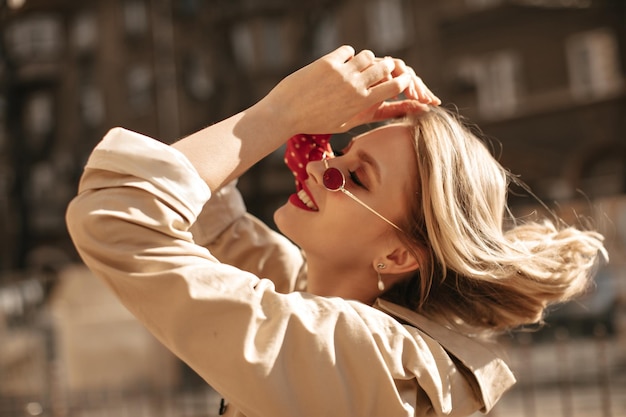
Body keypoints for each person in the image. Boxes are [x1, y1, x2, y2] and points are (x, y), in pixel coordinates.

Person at [66, 46, 606, 417]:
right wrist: (308, 105)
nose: (326, 165)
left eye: (359, 177)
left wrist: (280, 112)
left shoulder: (361, 350)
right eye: (344, 151)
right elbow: (206, 211)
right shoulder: (318, 294)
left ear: (398, 255)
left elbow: (119, 213)